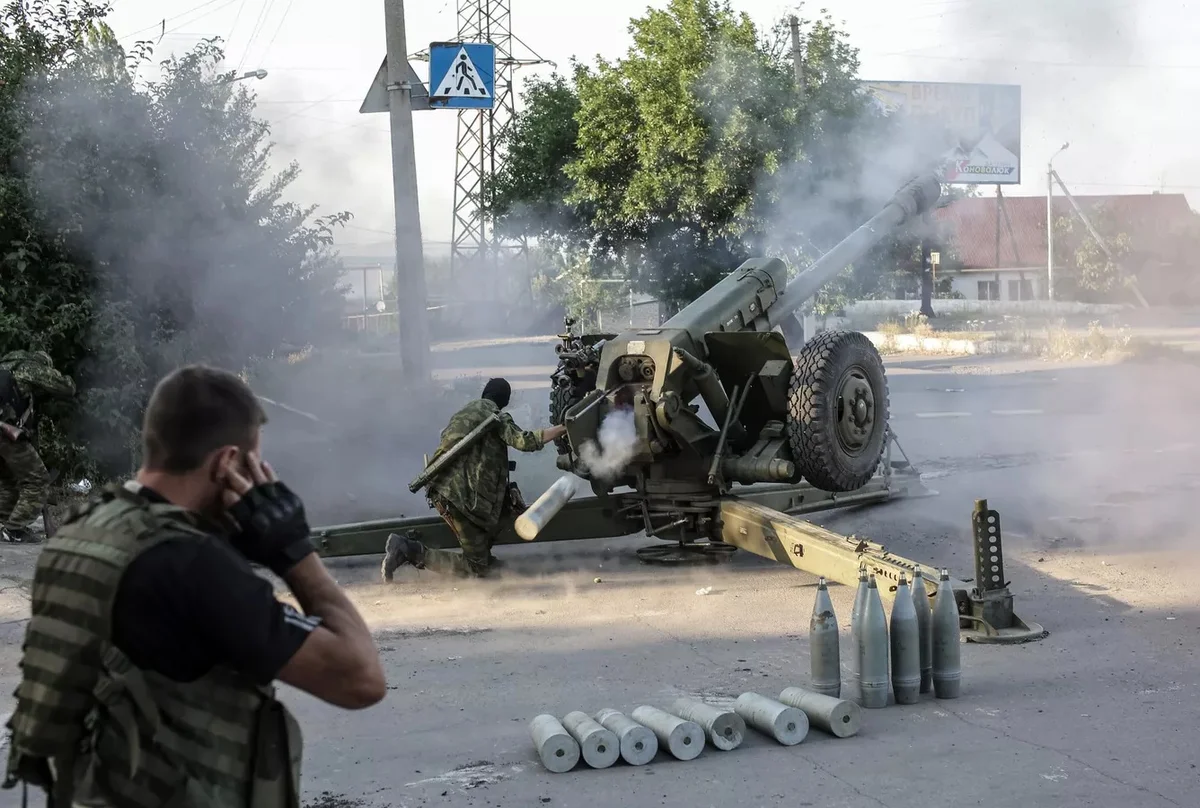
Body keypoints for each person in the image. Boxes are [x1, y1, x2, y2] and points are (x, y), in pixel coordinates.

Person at [2, 365, 386, 808]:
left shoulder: (80, 534)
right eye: (253, 464)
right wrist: (294, 552)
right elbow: (360, 678)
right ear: (226, 463)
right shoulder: (191, 565)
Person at [383, 377, 566, 581]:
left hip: (443, 490)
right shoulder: (495, 417)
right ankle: (409, 550)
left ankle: (490, 564)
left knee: (486, 553)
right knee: (477, 568)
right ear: (504, 401)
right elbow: (525, 441)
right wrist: (563, 427)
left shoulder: (463, 414)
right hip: (463, 499)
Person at [0, 349, 76, 543]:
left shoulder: (5, 367)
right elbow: (67, 387)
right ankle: (14, 529)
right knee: (38, 480)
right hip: (5, 434)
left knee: (8, 480)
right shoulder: (30, 367)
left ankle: (6, 525)